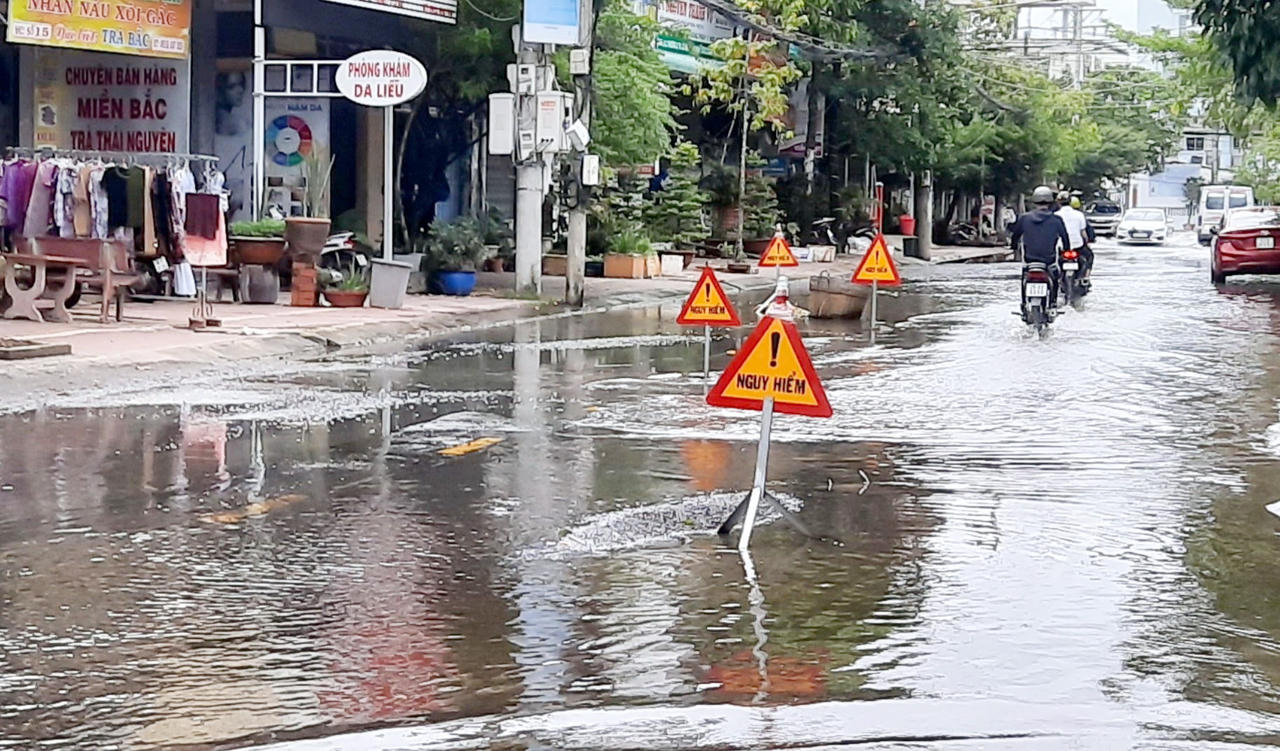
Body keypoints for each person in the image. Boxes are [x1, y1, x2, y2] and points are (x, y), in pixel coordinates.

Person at [1010, 185, 1072, 306]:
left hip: (1030, 259)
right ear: (1050, 201)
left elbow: (1015, 236)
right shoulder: (1056, 219)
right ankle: (1053, 304)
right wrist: (1066, 251)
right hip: (1048, 260)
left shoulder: (1024, 218)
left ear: (1034, 201)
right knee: (1055, 278)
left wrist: (1013, 248)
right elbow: (1065, 238)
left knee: (1024, 278)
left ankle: (1024, 304)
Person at [1055, 191, 1095, 288]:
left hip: (1061, 247)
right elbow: (1083, 233)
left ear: (1058, 202)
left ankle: (1057, 278)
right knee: (1090, 256)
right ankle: (1086, 277)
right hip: (1077, 246)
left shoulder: (1055, 215)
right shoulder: (1079, 215)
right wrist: (1087, 242)